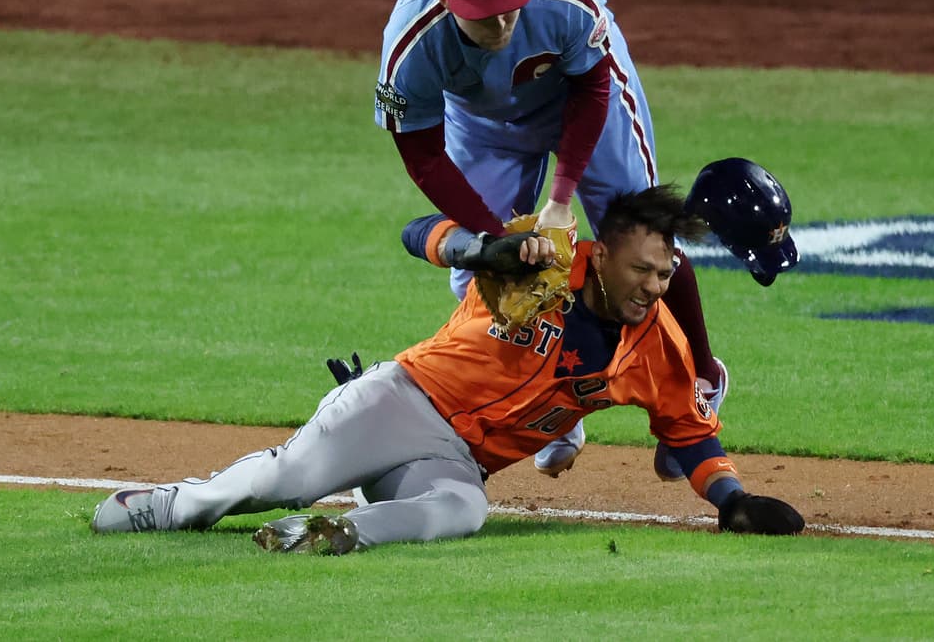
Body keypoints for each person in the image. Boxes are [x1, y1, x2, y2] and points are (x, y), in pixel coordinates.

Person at [89, 186, 805, 554]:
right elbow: (416, 231)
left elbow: (689, 432)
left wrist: (731, 500)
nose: (654, 286)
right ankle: (169, 504)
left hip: (457, 461)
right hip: (400, 402)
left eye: (665, 273)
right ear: (605, 253)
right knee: (287, 479)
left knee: (464, 510)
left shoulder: (659, 344)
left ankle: (338, 534)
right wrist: (478, 249)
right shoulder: (540, 258)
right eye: (643, 269)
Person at [374, 0, 724, 478]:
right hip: (483, 122)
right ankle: (550, 405)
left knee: (644, 242)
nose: (501, 23)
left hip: (581, 97)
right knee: (479, 276)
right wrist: (496, 239)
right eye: (483, 15)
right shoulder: (411, 44)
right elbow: (424, 158)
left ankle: (702, 380)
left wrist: (561, 198)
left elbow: (593, 87)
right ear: (447, 0)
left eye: (508, 8)